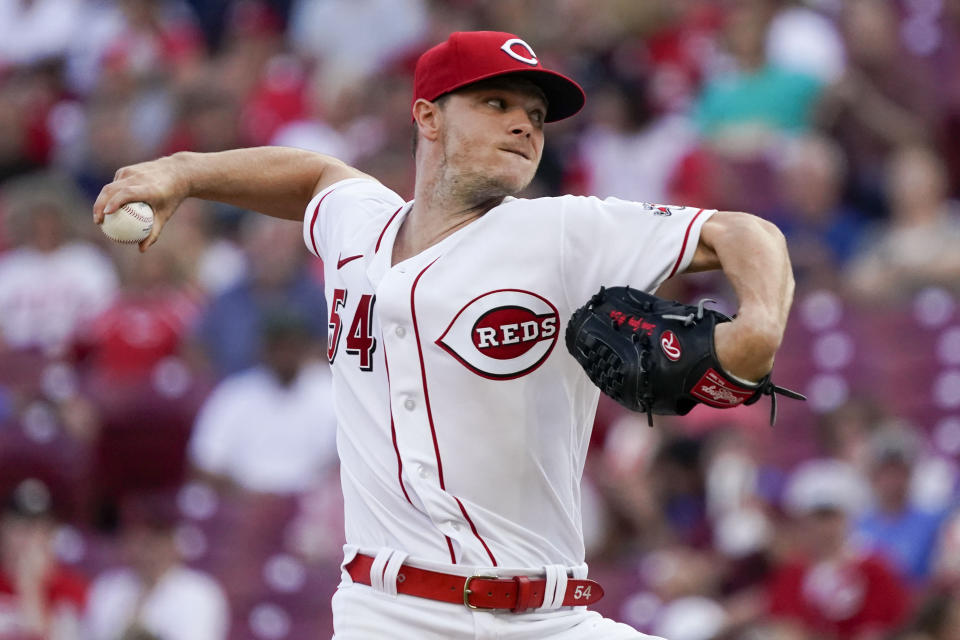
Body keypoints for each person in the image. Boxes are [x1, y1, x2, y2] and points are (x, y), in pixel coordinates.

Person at [93, 30, 796, 640]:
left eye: (536, 114)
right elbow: (314, 178)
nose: (524, 124)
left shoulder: (562, 231)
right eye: (496, 104)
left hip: (546, 615)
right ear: (427, 116)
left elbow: (743, 232)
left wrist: (758, 326)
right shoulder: (359, 226)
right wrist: (181, 172)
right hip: (387, 613)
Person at [0, 478, 88, 639]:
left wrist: (31, 589)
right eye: (20, 528)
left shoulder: (71, 590)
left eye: (39, 529)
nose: (29, 540)